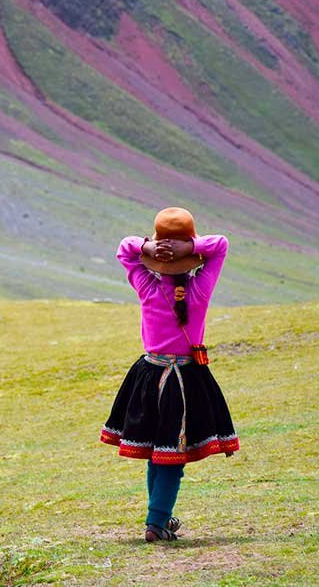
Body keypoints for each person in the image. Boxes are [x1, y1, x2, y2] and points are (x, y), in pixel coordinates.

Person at [100, 207, 239, 542]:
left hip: (148, 375)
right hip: (185, 379)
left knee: (156, 451)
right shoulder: (200, 289)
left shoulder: (146, 286)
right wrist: (190, 247)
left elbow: (124, 248)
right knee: (171, 456)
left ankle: (157, 519)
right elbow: (219, 245)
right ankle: (157, 522)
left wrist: (147, 246)